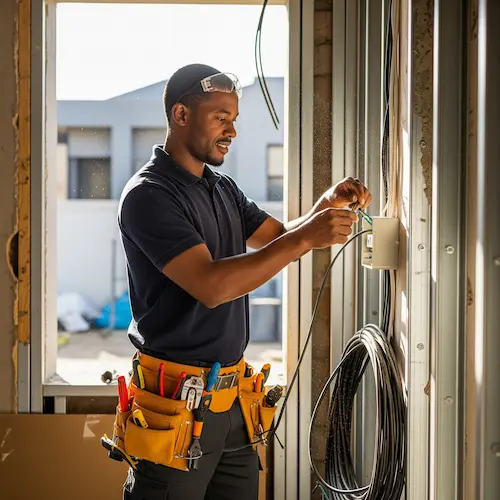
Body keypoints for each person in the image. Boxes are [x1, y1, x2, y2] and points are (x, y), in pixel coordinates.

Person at [117, 63, 372, 500]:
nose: (231, 131)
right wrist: (308, 235)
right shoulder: (149, 195)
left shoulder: (221, 188)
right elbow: (212, 287)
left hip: (233, 403)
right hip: (175, 407)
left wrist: (321, 209)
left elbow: (276, 238)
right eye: (221, 117)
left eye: (234, 119)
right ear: (180, 115)